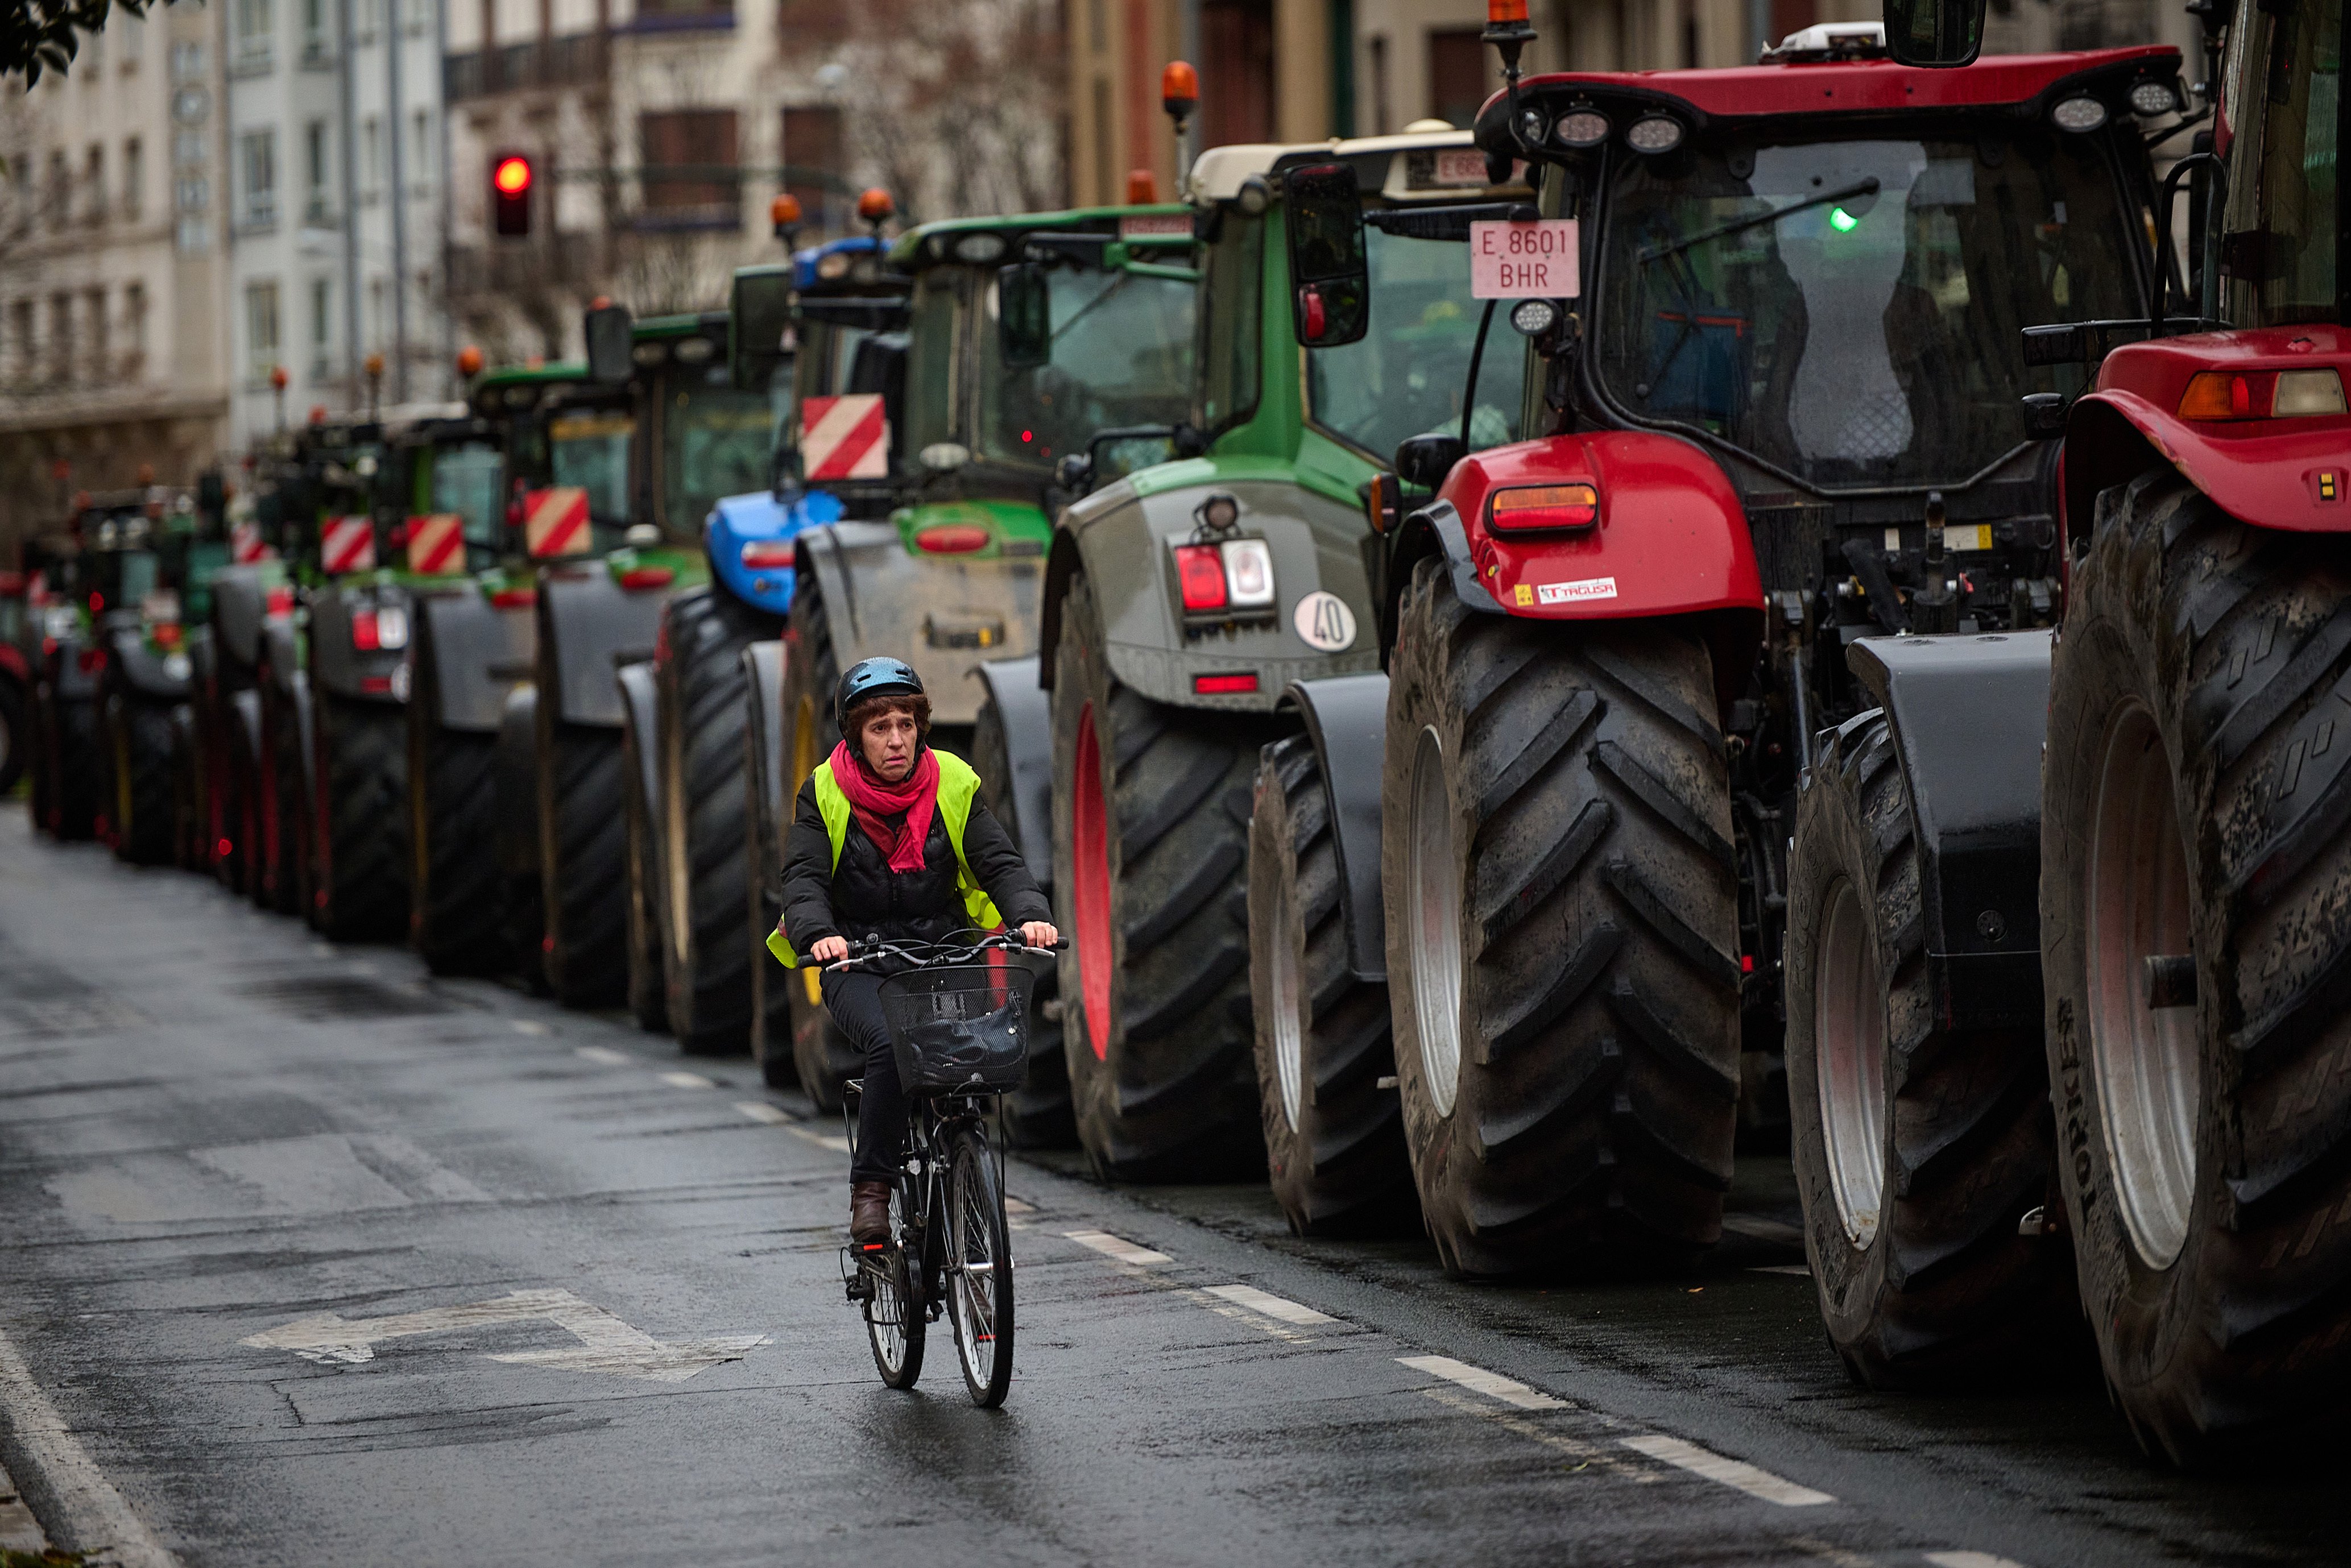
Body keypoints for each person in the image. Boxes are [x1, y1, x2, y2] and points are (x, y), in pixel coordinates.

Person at [772, 657, 1057, 1246]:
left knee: (973, 1051)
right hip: (859, 964)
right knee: (889, 1043)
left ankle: (963, 1161)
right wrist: (817, 934)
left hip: (943, 953)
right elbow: (802, 881)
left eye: (905, 723)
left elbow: (999, 864)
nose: (896, 739)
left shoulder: (953, 780)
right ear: (855, 736)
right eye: (880, 728)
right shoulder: (822, 792)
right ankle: (872, 1190)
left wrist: (1031, 916)